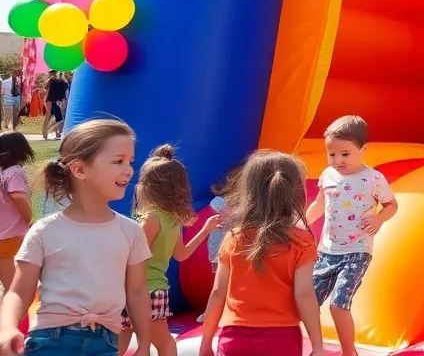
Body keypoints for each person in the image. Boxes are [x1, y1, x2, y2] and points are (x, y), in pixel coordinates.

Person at [0, 118, 153, 356]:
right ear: (80, 169)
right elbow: (19, 291)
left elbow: (137, 293)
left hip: (106, 343)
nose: (129, 169)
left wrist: (144, 342)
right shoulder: (44, 231)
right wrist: (6, 328)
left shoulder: (130, 231)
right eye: (118, 161)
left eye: (130, 161)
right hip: (50, 342)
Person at [199, 150, 323, 356]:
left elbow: (218, 293)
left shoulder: (234, 238)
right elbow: (304, 294)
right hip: (282, 338)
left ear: (248, 193)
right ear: (295, 194)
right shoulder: (301, 241)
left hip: (235, 337)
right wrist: (317, 345)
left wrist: (206, 342)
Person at [307, 116, 397, 356]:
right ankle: (316, 348)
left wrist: (379, 219)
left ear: (363, 150)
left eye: (345, 154)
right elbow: (319, 204)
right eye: (332, 154)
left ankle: (350, 352)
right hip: (327, 250)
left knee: (338, 305)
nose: (337, 160)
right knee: (308, 303)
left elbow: (391, 205)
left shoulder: (373, 179)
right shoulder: (328, 175)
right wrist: (301, 225)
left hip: (357, 250)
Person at [118, 145, 220, 356]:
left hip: (139, 291)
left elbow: (132, 257)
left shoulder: (151, 219)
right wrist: (204, 231)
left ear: (148, 187)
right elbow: (181, 255)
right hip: (156, 290)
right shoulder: (172, 220)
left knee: (130, 342)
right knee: (160, 342)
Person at [200, 161, 245, 324]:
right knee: (220, 283)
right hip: (220, 248)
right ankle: (211, 312)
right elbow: (235, 217)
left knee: (233, 281)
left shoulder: (242, 205)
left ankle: (228, 310)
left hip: (236, 249)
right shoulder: (219, 202)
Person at [0, 133, 34, 292]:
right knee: (16, 289)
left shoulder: (3, 173)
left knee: (12, 288)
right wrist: (30, 219)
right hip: (11, 236)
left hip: (4, 235)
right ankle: (12, 317)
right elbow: (18, 197)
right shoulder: (14, 172)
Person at [42, 72, 70, 140]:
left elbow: (46, 88)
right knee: (58, 119)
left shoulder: (54, 81)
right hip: (56, 102)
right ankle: (51, 133)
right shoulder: (60, 82)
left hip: (53, 101)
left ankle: (46, 133)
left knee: (53, 118)